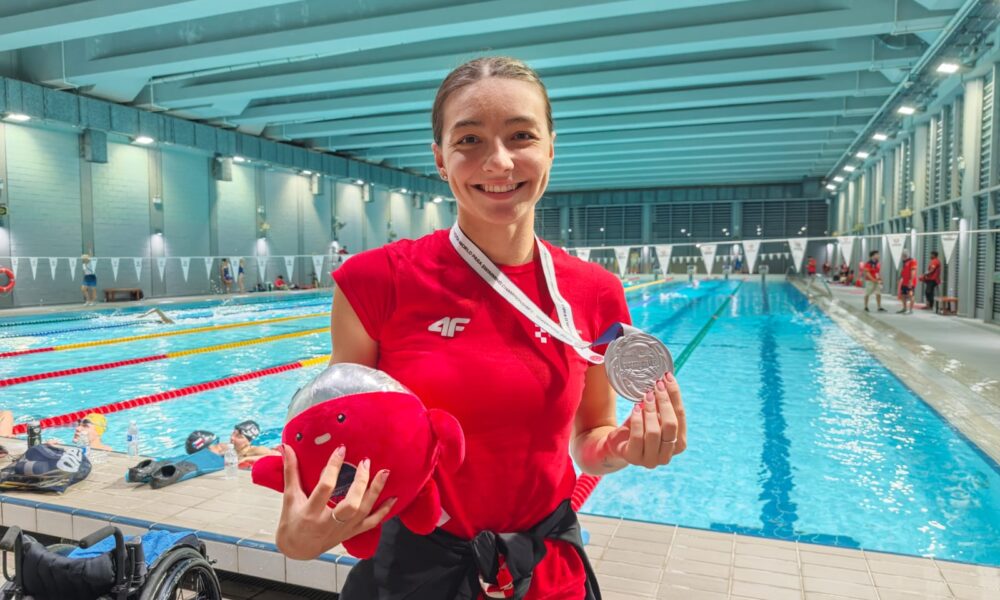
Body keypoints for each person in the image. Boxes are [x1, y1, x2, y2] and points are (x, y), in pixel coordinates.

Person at [274, 57, 686, 599]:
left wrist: (624, 449)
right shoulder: (375, 281)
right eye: (469, 139)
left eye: (521, 135)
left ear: (550, 148)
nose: (498, 161)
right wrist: (301, 533)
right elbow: (342, 439)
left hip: (544, 572)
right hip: (415, 570)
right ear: (440, 159)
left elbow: (588, 440)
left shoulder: (595, 292)